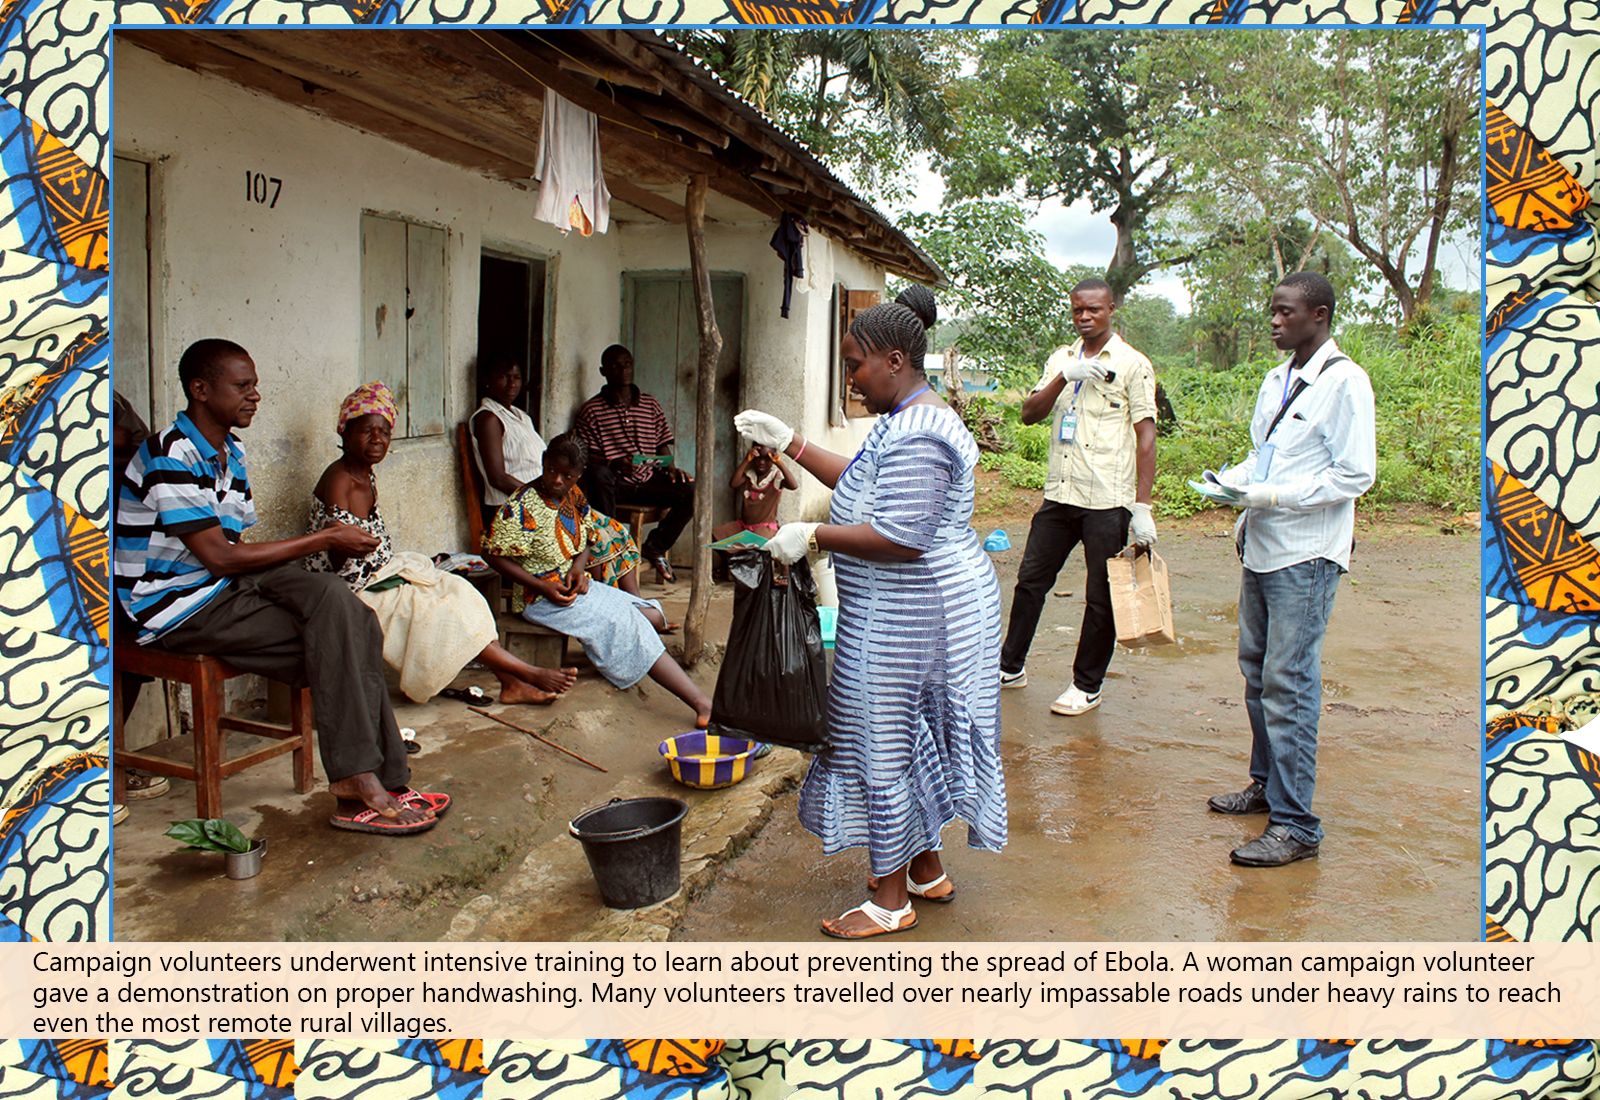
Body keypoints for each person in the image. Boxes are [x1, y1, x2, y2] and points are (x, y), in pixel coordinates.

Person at [735, 299, 1006, 940]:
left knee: (882, 737)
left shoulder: (921, 434)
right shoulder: (906, 417)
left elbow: (903, 535)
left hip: (919, 614)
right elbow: (860, 481)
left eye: (856, 365)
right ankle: (924, 870)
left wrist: (814, 535)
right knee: (908, 735)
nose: (851, 378)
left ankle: (890, 901)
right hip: (910, 608)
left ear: (895, 359)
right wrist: (790, 442)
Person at [114, 339, 444, 836]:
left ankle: (385, 779)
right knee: (339, 643)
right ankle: (362, 780)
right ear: (200, 390)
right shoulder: (168, 453)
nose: (255, 396)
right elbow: (218, 554)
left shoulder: (231, 451)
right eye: (242, 386)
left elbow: (235, 545)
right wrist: (327, 536)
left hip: (224, 582)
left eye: (256, 385)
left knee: (349, 613)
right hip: (176, 602)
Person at [1206, 272, 1375, 867]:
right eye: (1272, 311)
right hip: (1262, 544)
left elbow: (1355, 474)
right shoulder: (1276, 379)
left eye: (1286, 313)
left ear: (1320, 315)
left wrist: (1274, 497)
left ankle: (1297, 825)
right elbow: (1266, 455)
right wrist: (1237, 485)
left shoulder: (1346, 383)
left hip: (1306, 553)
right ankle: (1266, 787)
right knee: (1256, 670)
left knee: (1289, 679)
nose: (1275, 322)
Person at [306, 380, 577, 706]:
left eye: (384, 432)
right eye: (366, 431)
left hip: (374, 572)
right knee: (438, 610)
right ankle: (525, 674)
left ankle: (511, 682)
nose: (377, 439)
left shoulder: (364, 473)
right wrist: (368, 552)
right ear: (345, 434)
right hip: (348, 586)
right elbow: (339, 557)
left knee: (459, 592)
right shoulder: (340, 478)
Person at [997, 276, 1158, 717]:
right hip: (1061, 494)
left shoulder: (1132, 364)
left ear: (1111, 310)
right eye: (1077, 310)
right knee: (1030, 581)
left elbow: (1146, 438)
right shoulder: (1061, 358)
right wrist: (1064, 378)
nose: (1085, 317)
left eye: (1094, 310)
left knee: (1101, 595)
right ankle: (1009, 667)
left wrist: (1141, 508)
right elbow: (1030, 414)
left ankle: (1087, 685)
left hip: (1107, 500)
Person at [482, 433, 712, 726]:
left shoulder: (574, 496)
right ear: (543, 463)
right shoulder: (522, 505)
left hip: (573, 588)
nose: (557, 481)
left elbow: (589, 536)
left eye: (567, 475)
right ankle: (701, 703)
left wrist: (578, 568)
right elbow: (491, 554)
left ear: (579, 475)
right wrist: (541, 586)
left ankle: (628, 639)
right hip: (540, 597)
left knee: (651, 615)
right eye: (551, 470)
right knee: (631, 626)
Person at [470, 355, 648, 600]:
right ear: (487, 380)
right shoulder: (488, 418)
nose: (511, 383)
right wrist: (542, 499)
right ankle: (616, 604)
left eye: (517, 377)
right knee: (598, 538)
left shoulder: (521, 417)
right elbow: (497, 477)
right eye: (503, 376)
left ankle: (635, 604)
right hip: (520, 508)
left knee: (613, 530)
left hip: (549, 500)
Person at [573, 345, 694, 583]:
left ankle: (655, 547)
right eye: (616, 365)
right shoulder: (591, 410)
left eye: (627, 364)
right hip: (616, 485)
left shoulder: (650, 404)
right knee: (598, 474)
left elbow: (661, 443)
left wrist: (670, 468)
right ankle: (611, 546)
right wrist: (614, 462)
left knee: (692, 489)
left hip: (649, 480)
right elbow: (585, 455)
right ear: (603, 371)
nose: (623, 370)